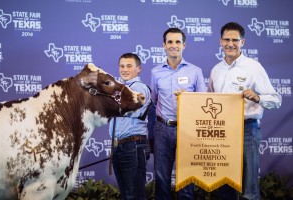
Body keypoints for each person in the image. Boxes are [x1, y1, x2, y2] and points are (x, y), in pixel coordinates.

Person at [208, 22, 282, 200]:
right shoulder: (215, 70)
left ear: (243, 42)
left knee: (249, 188)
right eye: (226, 39)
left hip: (247, 129)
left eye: (235, 40)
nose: (230, 44)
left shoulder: (253, 67)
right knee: (224, 185)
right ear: (220, 41)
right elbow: (210, 100)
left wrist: (258, 97)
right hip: (221, 131)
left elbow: (276, 100)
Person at [150, 27, 206, 200]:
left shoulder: (195, 71)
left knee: (187, 179)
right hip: (162, 128)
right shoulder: (155, 72)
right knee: (161, 177)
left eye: (177, 42)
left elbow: (203, 104)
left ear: (184, 45)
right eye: (170, 42)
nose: (174, 45)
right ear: (164, 45)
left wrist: (188, 99)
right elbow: (153, 100)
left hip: (188, 130)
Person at [109, 53, 151, 200]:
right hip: (120, 145)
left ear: (138, 69)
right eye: (122, 66)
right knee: (127, 195)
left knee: (135, 195)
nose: (124, 69)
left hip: (133, 145)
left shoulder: (138, 88)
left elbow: (134, 110)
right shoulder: (121, 89)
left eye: (129, 66)